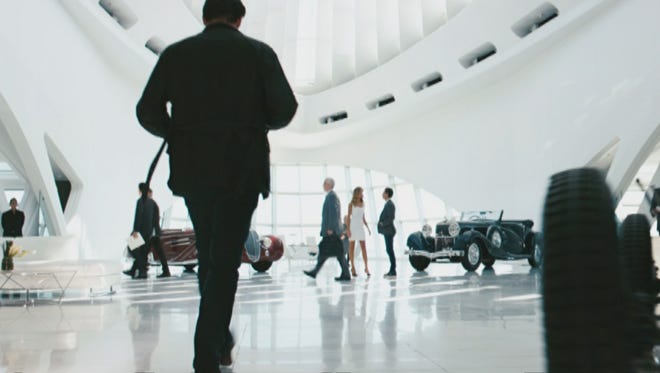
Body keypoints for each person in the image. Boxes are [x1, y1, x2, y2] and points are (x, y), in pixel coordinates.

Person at [135, 0, 297, 370]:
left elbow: (147, 110)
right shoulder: (259, 54)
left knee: (210, 257)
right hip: (242, 172)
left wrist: (176, 131)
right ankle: (207, 356)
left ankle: (219, 339)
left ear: (205, 17)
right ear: (240, 19)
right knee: (223, 264)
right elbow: (285, 109)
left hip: (193, 172)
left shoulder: (177, 55)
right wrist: (254, 125)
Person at [303, 178, 351, 281]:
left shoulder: (332, 196)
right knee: (337, 252)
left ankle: (315, 271)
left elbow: (334, 213)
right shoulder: (331, 196)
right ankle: (345, 274)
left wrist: (330, 229)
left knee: (327, 250)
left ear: (328, 185)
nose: (323, 185)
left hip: (331, 231)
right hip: (332, 230)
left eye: (324, 183)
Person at [125, 184, 164, 279]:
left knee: (132, 248)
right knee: (142, 251)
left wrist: (135, 230)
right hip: (149, 231)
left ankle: (142, 271)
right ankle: (134, 270)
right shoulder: (152, 202)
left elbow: (138, 217)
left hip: (141, 230)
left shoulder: (140, 201)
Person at [347, 187, 371, 277]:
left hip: (360, 227)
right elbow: (349, 217)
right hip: (353, 226)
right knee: (351, 248)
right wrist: (348, 229)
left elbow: (363, 217)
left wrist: (367, 227)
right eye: (361, 192)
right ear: (357, 193)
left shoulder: (363, 203)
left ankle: (366, 267)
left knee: (363, 248)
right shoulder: (351, 204)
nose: (363, 194)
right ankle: (353, 267)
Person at [378, 187, 397, 278]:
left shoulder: (390, 204)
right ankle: (392, 269)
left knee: (390, 250)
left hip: (389, 231)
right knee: (389, 249)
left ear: (387, 194)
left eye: (383, 192)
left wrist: (382, 224)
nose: (382, 194)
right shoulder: (388, 204)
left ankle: (393, 270)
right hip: (388, 231)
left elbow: (391, 218)